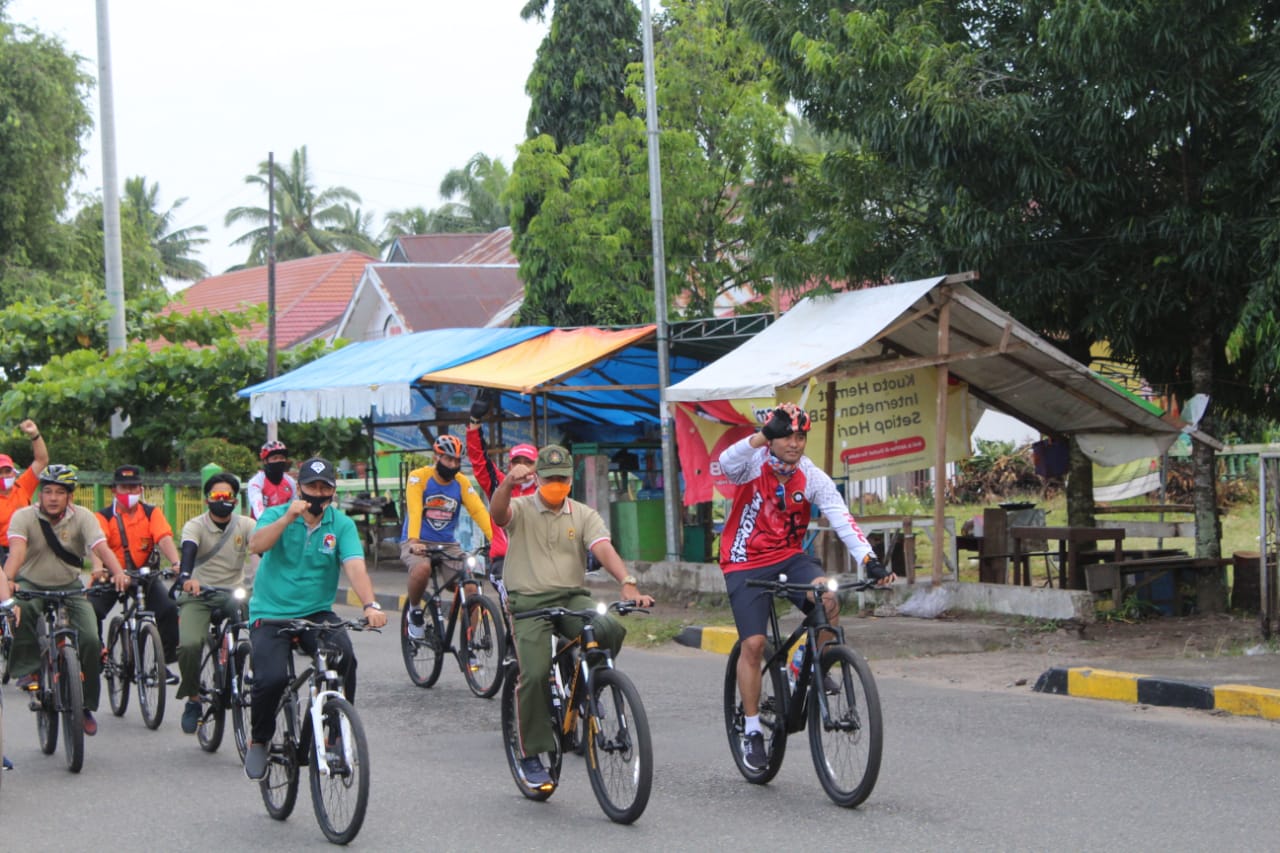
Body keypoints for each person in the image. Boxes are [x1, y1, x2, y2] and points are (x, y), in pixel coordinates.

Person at [718, 402, 895, 772]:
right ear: (771, 438)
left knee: (827, 600)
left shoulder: (811, 476)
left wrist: (869, 560)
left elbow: (842, 517)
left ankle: (804, 665)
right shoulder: (752, 465)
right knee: (753, 644)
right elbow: (726, 461)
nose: (794, 443)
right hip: (743, 560)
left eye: (800, 436)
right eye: (786, 435)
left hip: (789, 557)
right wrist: (763, 435)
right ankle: (751, 729)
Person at [489, 444, 654, 789]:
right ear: (538, 479)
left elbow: (602, 547)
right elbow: (499, 513)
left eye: (562, 478)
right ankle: (531, 754)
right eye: (549, 478)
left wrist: (627, 582)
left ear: (570, 479)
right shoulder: (521, 507)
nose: (556, 484)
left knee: (608, 629)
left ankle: (583, 693)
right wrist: (507, 483)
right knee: (534, 674)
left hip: (571, 596)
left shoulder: (582, 514)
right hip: (529, 602)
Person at [242, 456, 387, 781]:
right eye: (311, 487)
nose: (318, 493)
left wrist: (370, 605)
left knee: (344, 657)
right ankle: (261, 739)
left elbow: (354, 566)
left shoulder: (341, 525)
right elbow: (257, 544)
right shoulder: (277, 514)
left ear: (332, 492)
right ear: (299, 489)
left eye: (325, 487)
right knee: (272, 679)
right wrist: (286, 519)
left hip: (316, 612)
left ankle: (333, 731)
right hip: (271, 612)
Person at [2, 465, 129, 737]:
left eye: (60, 492)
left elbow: (99, 547)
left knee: (92, 640)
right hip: (30, 584)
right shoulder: (23, 516)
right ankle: (29, 672)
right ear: (40, 493)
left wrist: (117, 572)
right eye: (47, 491)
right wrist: (9, 580)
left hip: (70, 587)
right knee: (20, 612)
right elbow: (16, 553)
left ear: (70, 496)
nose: (53, 497)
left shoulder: (83, 517)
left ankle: (85, 703)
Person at [173, 472, 256, 735]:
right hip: (199, 594)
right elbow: (187, 551)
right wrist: (186, 577)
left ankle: (253, 676)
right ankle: (194, 700)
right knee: (189, 645)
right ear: (207, 500)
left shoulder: (246, 525)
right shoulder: (195, 526)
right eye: (217, 496)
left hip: (234, 592)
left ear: (235, 499)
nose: (223, 500)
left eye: (228, 496)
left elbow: (264, 551)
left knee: (262, 632)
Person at [90, 465, 181, 684]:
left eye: (133, 488)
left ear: (140, 489)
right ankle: (99, 651)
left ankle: (163, 663)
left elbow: (164, 537)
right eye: (124, 488)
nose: (129, 493)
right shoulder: (102, 516)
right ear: (114, 490)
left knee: (168, 609)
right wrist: (98, 568)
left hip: (143, 576)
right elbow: (97, 545)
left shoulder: (151, 513)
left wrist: (177, 563)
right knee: (91, 610)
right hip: (113, 576)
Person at [402, 433, 494, 642]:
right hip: (418, 541)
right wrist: (414, 541)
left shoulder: (461, 483)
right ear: (436, 457)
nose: (453, 465)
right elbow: (415, 510)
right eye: (448, 459)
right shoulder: (419, 477)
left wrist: (496, 540)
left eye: (457, 461)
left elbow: (479, 511)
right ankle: (415, 612)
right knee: (422, 569)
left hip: (447, 544)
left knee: (470, 585)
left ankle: (468, 645)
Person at [465, 387, 538, 579]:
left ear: (537, 466)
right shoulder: (498, 482)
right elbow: (479, 459)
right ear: (509, 464)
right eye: (517, 462)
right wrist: (474, 422)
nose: (522, 467)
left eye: (528, 462)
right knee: (516, 603)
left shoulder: (545, 488)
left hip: (538, 562)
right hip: (503, 562)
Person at [0, 419, 49, 565]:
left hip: (27, 549)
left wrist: (35, 435)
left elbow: (41, 460)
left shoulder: (22, 487)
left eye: (7, 471)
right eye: (0, 472)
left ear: (13, 472)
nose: (4, 476)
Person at [246, 440, 298, 520]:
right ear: (265, 461)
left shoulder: (290, 482)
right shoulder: (256, 482)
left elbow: (294, 505)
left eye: (282, 458)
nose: (279, 461)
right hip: (261, 526)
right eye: (275, 458)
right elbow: (257, 507)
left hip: (285, 526)